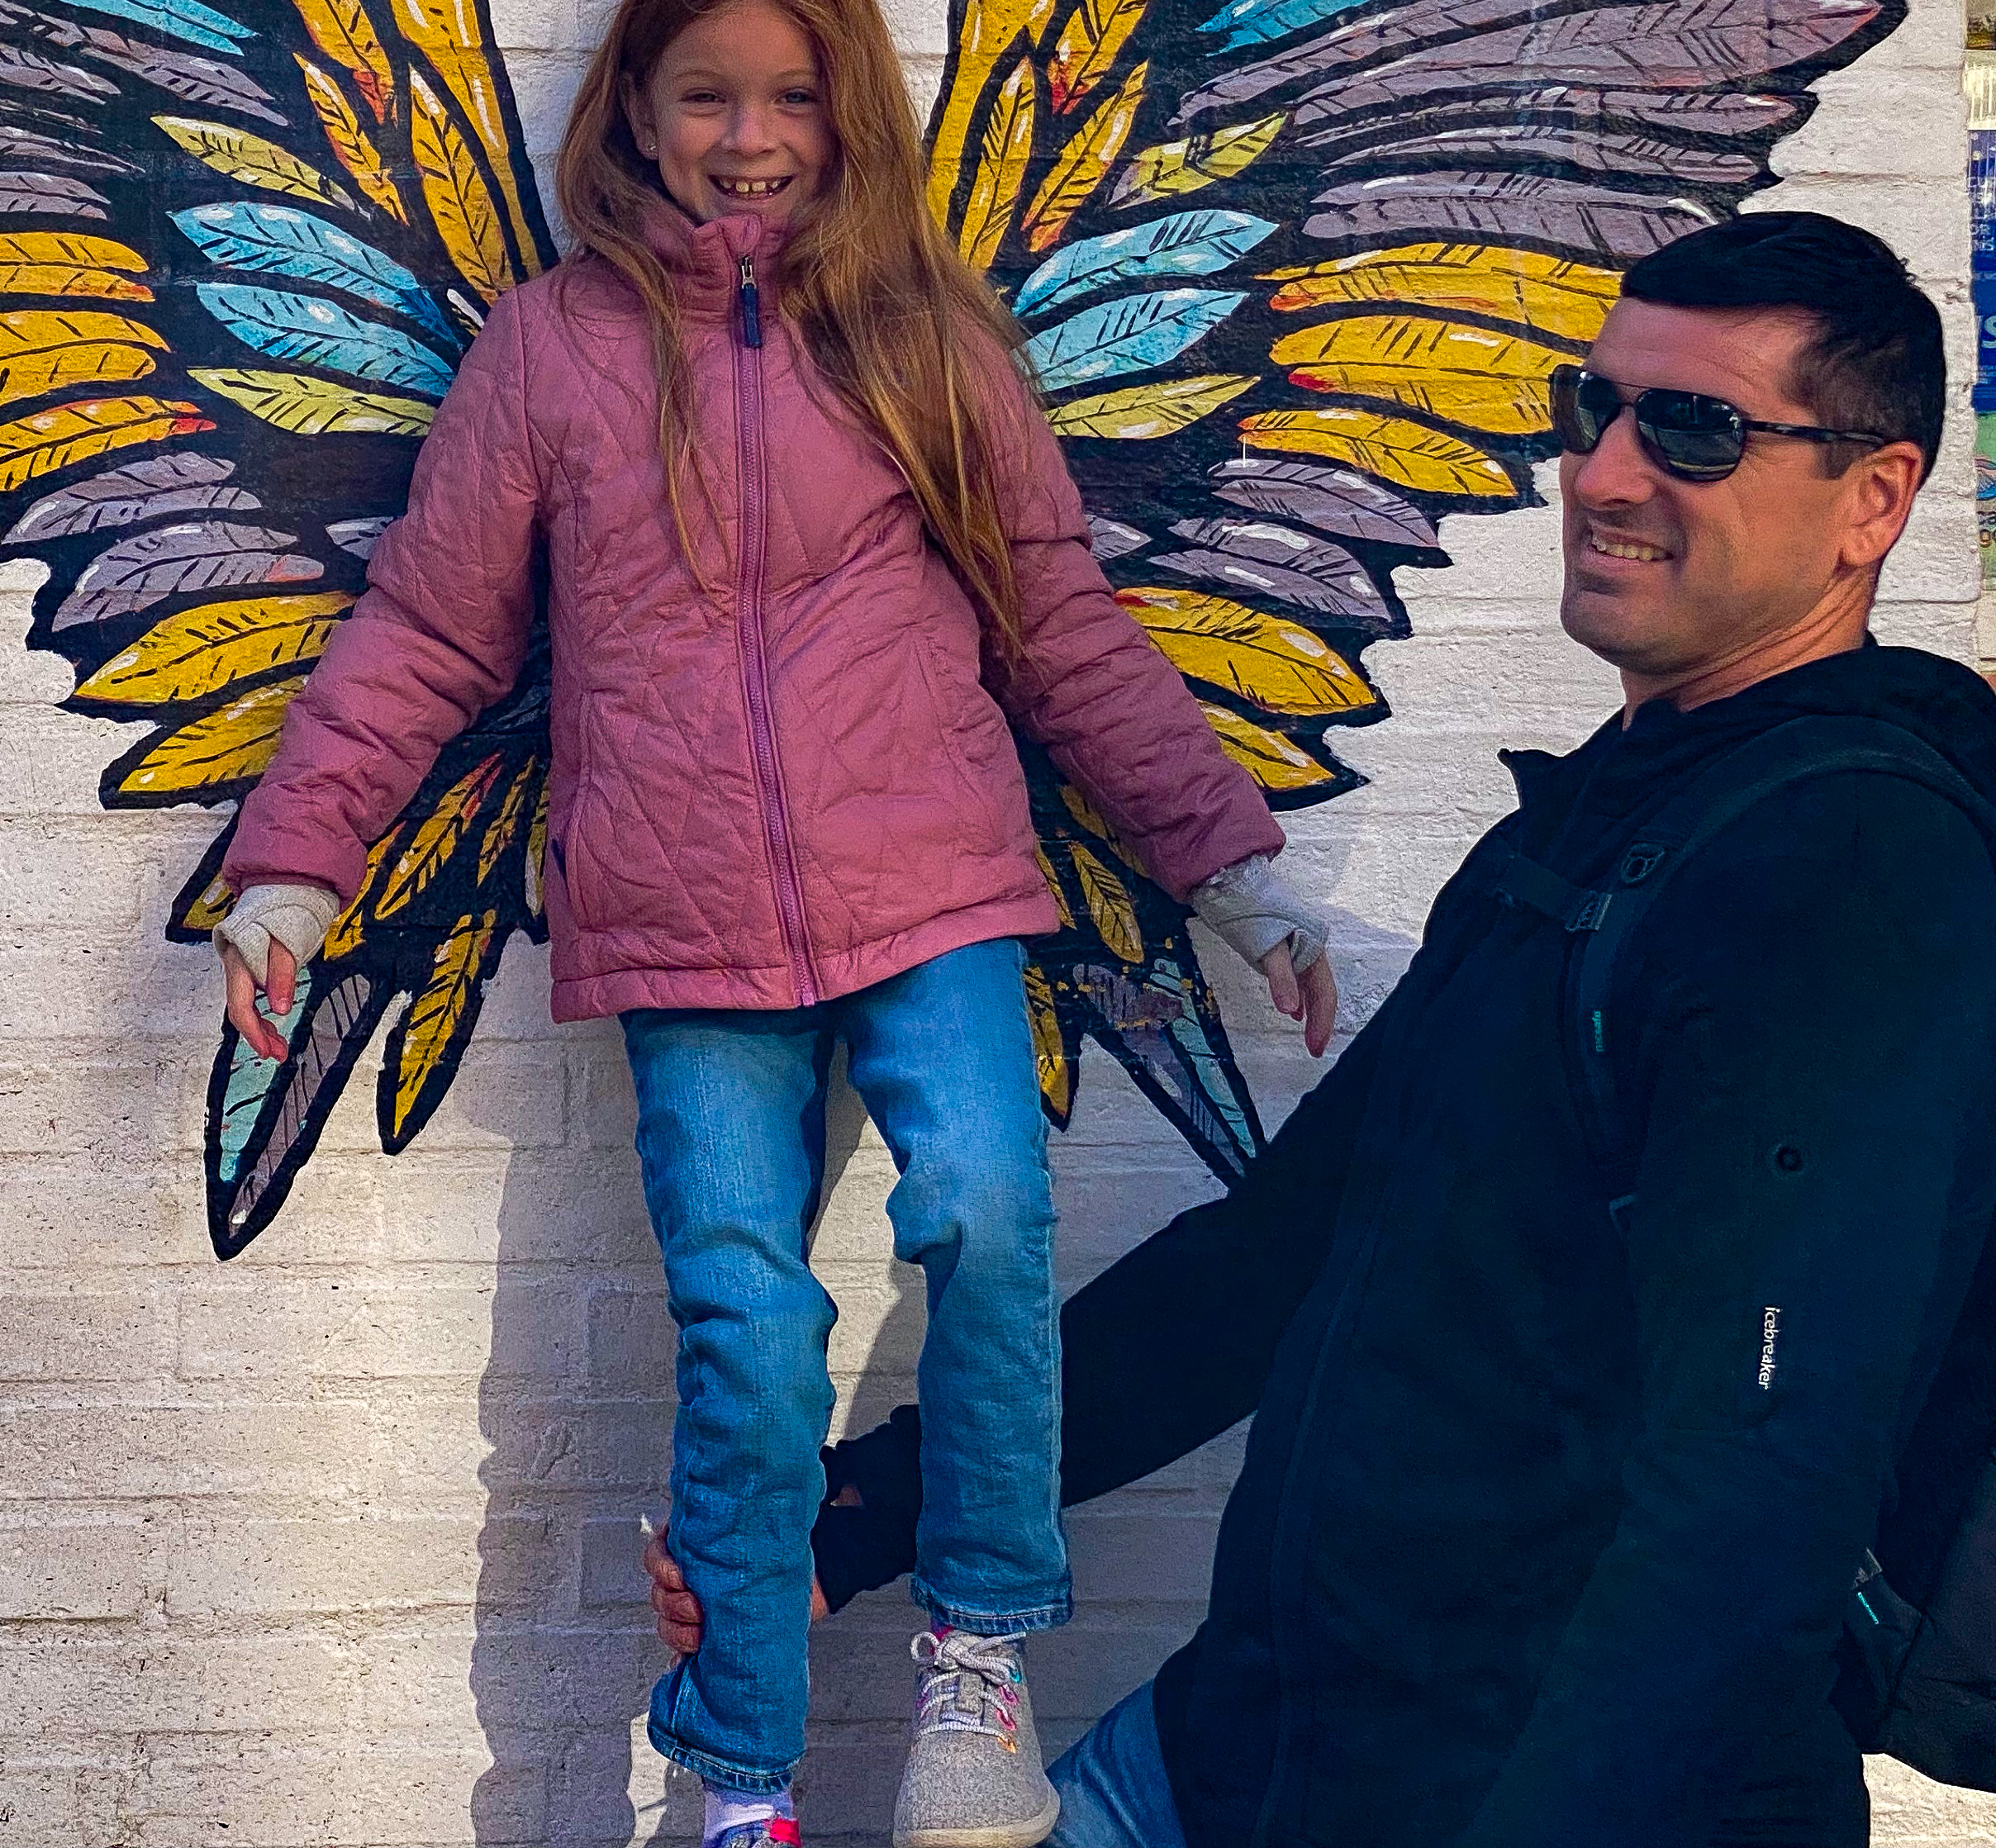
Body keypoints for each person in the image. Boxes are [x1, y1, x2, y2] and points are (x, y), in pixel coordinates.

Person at [210, 0, 1339, 1848]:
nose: (749, 133)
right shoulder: (553, 351)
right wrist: (297, 864)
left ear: (848, 111)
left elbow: (1063, 625)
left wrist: (1230, 869)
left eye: (791, 95)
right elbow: (426, 632)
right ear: (635, 110)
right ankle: (737, 1775)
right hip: (683, 920)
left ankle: (976, 1652)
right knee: (743, 1326)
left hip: (936, 888)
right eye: (705, 92)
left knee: (986, 1206)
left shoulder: (924, 339)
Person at [653, 208, 1996, 1848]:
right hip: (1243, 1753)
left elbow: (1760, 1490)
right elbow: (1278, 1264)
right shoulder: (1597, 836)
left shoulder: (1856, 874)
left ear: (1875, 499)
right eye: (1598, 409)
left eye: (1696, 429)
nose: (1609, 473)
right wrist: (850, 1514)